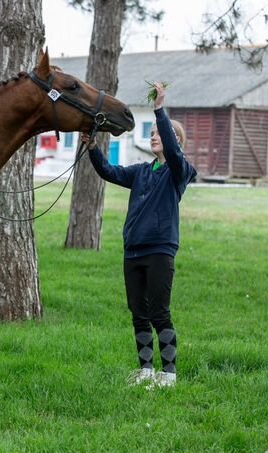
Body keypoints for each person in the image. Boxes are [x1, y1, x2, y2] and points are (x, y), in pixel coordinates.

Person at [81, 82, 196, 388]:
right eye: (153, 133)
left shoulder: (178, 171)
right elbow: (109, 172)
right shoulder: (142, 172)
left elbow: (171, 148)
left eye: (160, 133)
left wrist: (159, 110)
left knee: (159, 312)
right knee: (138, 314)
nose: (154, 135)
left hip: (160, 251)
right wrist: (92, 148)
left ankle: (168, 374)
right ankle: (146, 370)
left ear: (175, 142)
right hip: (133, 251)